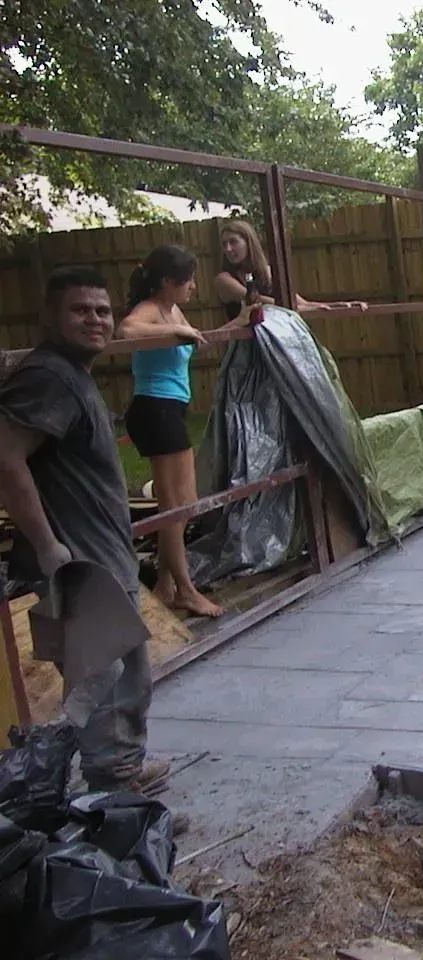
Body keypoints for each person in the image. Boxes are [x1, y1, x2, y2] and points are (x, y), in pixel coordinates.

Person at [0, 266, 167, 793]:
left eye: (102, 310)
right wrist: (50, 548)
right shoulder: (50, 377)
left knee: (115, 676)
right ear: (49, 316)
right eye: (79, 310)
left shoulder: (69, 373)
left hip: (99, 553)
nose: (95, 319)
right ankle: (117, 809)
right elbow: (5, 458)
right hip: (83, 563)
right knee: (110, 679)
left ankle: (118, 777)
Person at [117, 244, 247, 618]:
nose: (193, 287)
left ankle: (165, 583)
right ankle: (185, 591)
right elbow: (126, 330)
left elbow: (197, 340)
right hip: (154, 409)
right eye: (188, 280)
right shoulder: (150, 310)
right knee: (176, 506)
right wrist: (174, 328)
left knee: (183, 504)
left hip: (171, 409)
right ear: (167, 282)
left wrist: (237, 325)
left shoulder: (173, 309)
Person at [213, 219, 367, 319]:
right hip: (247, 349)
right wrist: (300, 308)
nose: (228, 248)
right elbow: (257, 300)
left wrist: (339, 305)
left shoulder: (268, 272)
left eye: (233, 242)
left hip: (278, 341)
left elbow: (299, 303)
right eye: (224, 244)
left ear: (249, 242)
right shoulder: (224, 279)